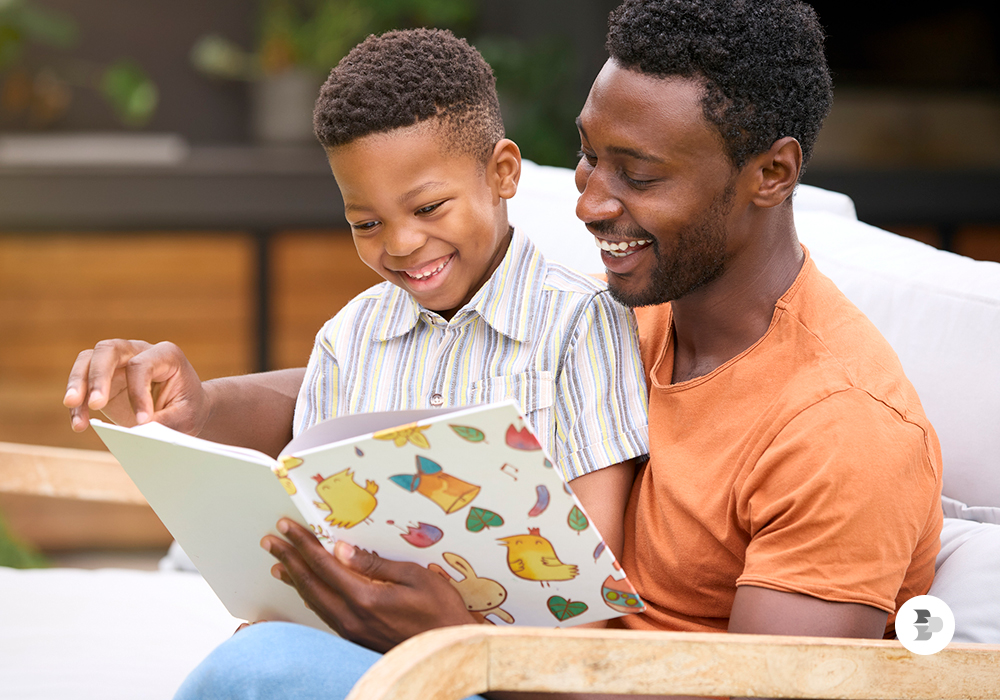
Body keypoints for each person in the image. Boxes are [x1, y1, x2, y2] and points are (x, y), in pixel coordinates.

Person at [65, 1, 944, 698]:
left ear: (772, 175)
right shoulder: (633, 309)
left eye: (637, 175)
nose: (590, 203)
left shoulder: (844, 429)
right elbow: (362, 393)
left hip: (511, 674)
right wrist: (205, 405)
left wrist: (467, 648)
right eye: (589, 158)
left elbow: (764, 698)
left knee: (258, 676)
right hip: (480, 664)